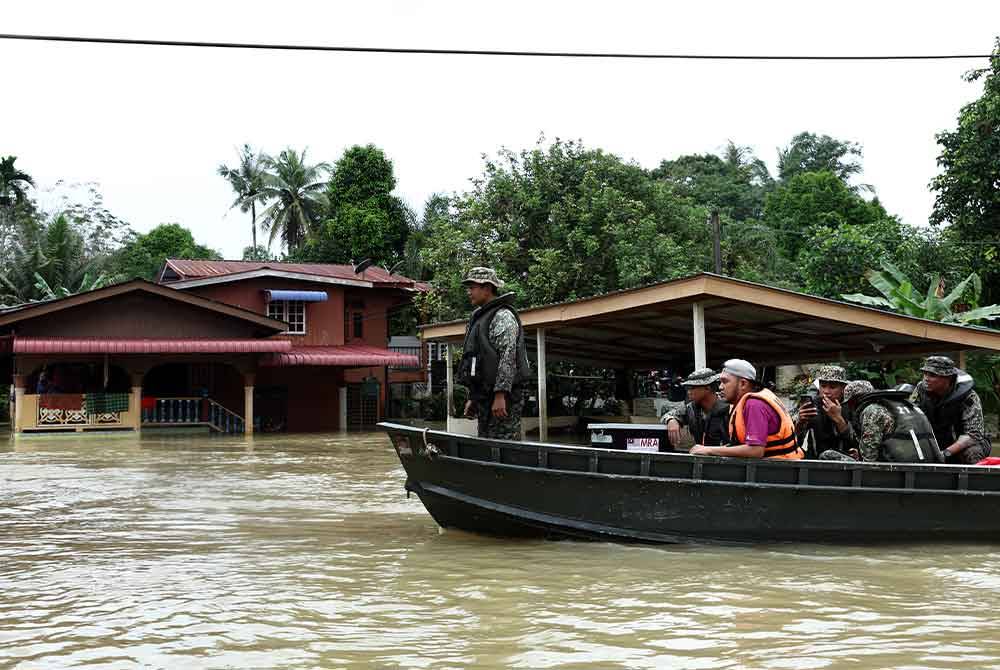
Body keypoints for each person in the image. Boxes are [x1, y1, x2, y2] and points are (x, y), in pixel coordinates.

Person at [456, 267, 532, 440]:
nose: (469, 292)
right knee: (486, 445)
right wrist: (473, 398)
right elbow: (476, 361)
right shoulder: (478, 317)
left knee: (504, 444)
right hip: (484, 395)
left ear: (487, 288)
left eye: (472, 287)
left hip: (504, 397)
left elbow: (508, 357)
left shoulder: (503, 316)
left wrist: (500, 395)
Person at [690, 359, 802, 459]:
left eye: (725, 382)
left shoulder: (754, 404)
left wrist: (708, 450)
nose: (720, 387)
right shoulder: (749, 401)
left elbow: (755, 451)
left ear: (743, 384)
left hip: (779, 472)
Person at [829, 380, 944, 463]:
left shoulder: (872, 410)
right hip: (926, 464)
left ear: (853, 401)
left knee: (828, 455)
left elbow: (869, 457)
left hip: (896, 469)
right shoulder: (906, 406)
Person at [912, 356, 992, 465]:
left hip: (965, 442)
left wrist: (946, 453)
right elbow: (911, 417)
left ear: (948, 378)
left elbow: (973, 435)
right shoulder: (921, 390)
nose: (926, 378)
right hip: (936, 439)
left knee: (972, 452)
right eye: (925, 373)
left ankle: (974, 481)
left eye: (933, 375)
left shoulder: (968, 397)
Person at [793, 365, 855, 459]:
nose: (826, 391)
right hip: (815, 461)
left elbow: (856, 442)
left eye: (832, 387)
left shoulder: (850, 406)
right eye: (823, 386)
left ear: (843, 388)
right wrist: (800, 422)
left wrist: (839, 420)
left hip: (845, 462)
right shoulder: (813, 405)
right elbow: (793, 438)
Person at [660, 368, 730, 447]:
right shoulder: (691, 408)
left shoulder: (729, 407)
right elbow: (669, 414)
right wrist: (671, 420)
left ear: (708, 388)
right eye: (688, 388)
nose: (688, 392)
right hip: (703, 456)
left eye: (692, 387)